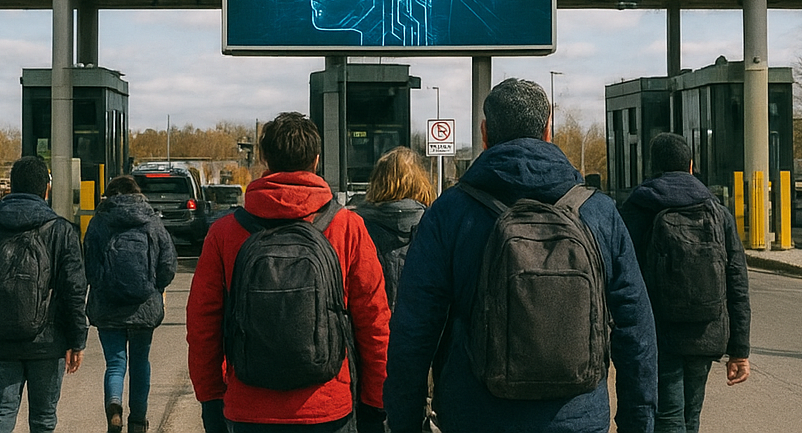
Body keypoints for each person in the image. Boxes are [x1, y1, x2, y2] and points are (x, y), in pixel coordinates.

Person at [385, 78, 658, 433]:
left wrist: (405, 420)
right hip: (576, 419)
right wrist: (639, 422)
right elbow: (636, 330)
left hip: (475, 417)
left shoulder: (449, 213)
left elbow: (414, 329)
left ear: (484, 132)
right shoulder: (599, 212)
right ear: (548, 130)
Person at [187, 111, 389, 433]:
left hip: (248, 409)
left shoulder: (225, 233)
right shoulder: (347, 227)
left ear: (265, 159)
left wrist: (210, 398)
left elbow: (203, 324)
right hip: (328, 407)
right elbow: (374, 321)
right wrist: (375, 401)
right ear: (317, 160)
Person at [619, 133, 751, 433]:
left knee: (666, 414)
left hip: (658, 331)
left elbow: (620, 275)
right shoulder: (717, 212)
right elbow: (737, 283)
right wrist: (739, 349)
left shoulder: (639, 207)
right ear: (691, 166)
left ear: (653, 168)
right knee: (691, 417)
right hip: (707, 331)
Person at [0, 156, 87, 433]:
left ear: (11, 188)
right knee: (43, 420)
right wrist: (76, 341)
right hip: (48, 343)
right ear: (46, 189)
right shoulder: (62, 231)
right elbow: (74, 290)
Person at [84, 175, 178, 433]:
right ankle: (138, 421)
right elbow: (168, 265)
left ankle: (114, 409)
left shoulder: (99, 222)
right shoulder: (152, 223)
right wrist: (154, 286)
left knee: (115, 363)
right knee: (140, 363)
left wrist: (102, 286)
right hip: (143, 307)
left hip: (108, 306)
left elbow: (89, 266)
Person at [354, 146, 436, 309]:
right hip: (419, 324)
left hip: (372, 324)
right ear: (421, 181)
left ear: (377, 182)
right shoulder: (434, 225)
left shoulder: (357, 226)